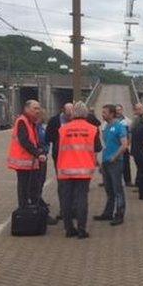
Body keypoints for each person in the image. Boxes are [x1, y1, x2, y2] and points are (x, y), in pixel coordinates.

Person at [57, 101, 102, 239]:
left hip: (65, 168)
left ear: (73, 113)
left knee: (66, 199)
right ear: (86, 113)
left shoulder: (63, 129)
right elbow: (98, 148)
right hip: (84, 169)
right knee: (82, 199)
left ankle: (69, 229)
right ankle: (82, 229)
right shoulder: (93, 129)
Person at [7, 100, 47, 209]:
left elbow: (33, 140)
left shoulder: (31, 122)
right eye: (35, 108)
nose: (38, 111)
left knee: (31, 186)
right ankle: (24, 209)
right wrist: (38, 153)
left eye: (38, 108)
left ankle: (31, 207)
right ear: (27, 109)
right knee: (24, 187)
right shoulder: (22, 121)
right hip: (23, 161)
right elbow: (24, 141)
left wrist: (39, 149)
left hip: (30, 161)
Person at [94, 104, 129, 226]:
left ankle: (119, 214)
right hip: (106, 162)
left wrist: (115, 156)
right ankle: (108, 212)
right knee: (109, 189)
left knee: (117, 189)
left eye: (105, 112)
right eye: (102, 112)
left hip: (115, 163)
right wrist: (102, 162)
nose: (102, 115)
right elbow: (106, 145)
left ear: (112, 113)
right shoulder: (106, 127)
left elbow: (124, 145)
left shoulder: (119, 127)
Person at [45, 102, 74, 220]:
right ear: (63, 111)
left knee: (74, 184)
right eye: (68, 114)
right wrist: (59, 139)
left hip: (74, 157)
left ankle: (73, 209)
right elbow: (48, 136)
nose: (70, 116)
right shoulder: (54, 121)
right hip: (60, 157)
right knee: (62, 184)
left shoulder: (76, 120)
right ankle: (64, 210)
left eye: (72, 114)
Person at [36, 109, 58, 225]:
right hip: (37, 159)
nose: (44, 117)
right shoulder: (35, 128)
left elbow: (46, 140)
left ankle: (39, 202)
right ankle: (39, 209)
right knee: (37, 184)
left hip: (42, 157)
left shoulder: (41, 127)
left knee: (40, 182)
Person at [116, 104, 134, 187]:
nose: (118, 111)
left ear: (122, 110)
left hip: (124, 146)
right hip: (114, 146)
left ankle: (128, 181)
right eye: (116, 110)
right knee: (113, 164)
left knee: (126, 164)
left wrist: (128, 144)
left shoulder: (127, 121)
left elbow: (130, 134)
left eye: (119, 109)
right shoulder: (111, 120)